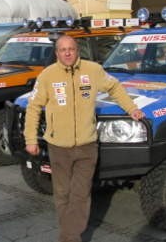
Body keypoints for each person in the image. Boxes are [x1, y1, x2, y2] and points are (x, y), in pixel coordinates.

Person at [24, 35, 144, 242]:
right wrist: (30, 139)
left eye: (71, 49)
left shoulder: (93, 70)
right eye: (63, 50)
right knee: (62, 194)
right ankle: (70, 234)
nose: (68, 53)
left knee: (80, 194)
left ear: (77, 50)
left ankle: (69, 238)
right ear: (57, 53)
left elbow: (114, 87)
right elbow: (34, 107)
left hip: (87, 146)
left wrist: (131, 109)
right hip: (58, 146)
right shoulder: (47, 76)